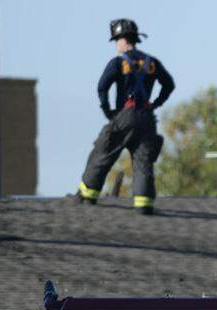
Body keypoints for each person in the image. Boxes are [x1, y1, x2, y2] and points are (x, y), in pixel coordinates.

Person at [75, 18, 174, 216]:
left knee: (103, 150)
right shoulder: (152, 62)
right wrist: (156, 103)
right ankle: (143, 204)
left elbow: (102, 86)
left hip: (125, 115)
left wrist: (108, 111)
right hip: (146, 118)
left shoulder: (118, 62)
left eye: (115, 40)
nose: (115, 45)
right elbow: (169, 84)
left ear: (122, 40)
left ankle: (87, 195)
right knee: (143, 162)